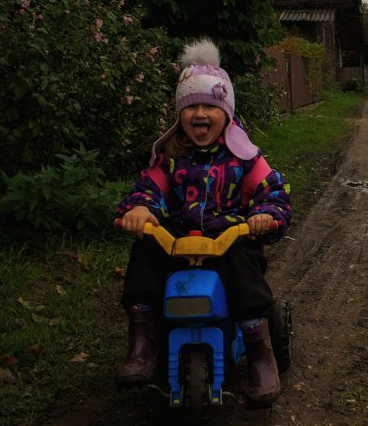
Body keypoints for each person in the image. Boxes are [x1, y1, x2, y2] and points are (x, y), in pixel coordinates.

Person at [115, 38, 291, 404]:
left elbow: (273, 189)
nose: (199, 114)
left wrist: (264, 215)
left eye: (209, 106)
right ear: (180, 114)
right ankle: (142, 340)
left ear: (226, 112)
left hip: (228, 238)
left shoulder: (243, 156)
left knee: (245, 267)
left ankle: (260, 352)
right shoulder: (170, 158)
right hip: (177, 240)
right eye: (190, 105)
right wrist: (141, 210)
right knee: (145, 251)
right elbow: (149, 188)